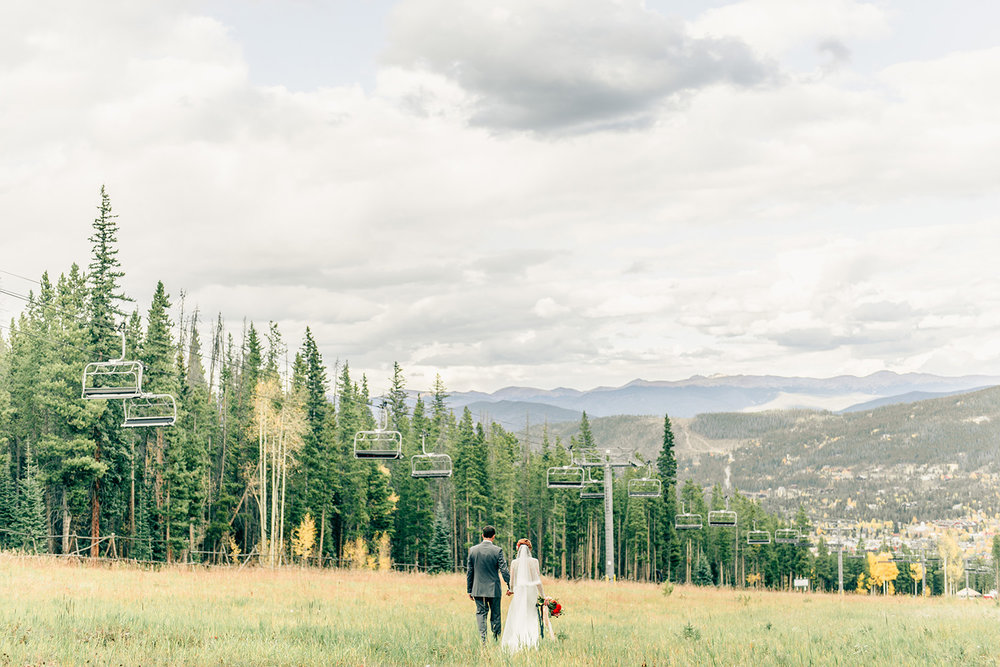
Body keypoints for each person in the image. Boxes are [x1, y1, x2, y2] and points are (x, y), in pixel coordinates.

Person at [500, 538, 554, 653]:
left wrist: (511, 590)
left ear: (518, 549)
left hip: (519, 593)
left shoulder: (514, 563)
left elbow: (512, 582)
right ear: (529, 549)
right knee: (531, 617)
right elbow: (537, 580)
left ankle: (518, 641)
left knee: (519, 616)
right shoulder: (534, 561)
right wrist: (543, 595)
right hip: (531, 593)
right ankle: (531, 642)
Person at [466, 525, 512, 644]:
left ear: (482, 535)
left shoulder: (473, 550)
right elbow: (504, 570)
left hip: (478, 588)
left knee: (481, 613)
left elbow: (469, 571)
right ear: (493, 536)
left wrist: (469, 590)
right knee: (496, 614)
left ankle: (483, 639)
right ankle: (496, 638)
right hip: (494, 589)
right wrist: (510, 585)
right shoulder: (498, 550)